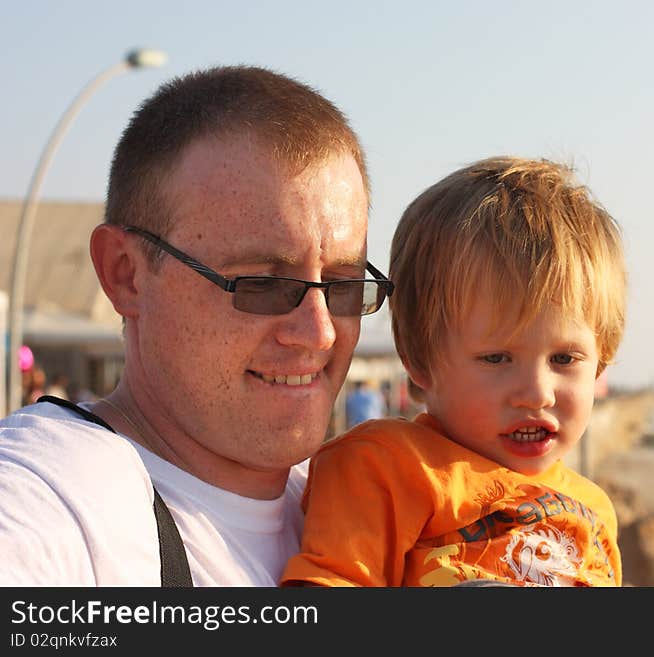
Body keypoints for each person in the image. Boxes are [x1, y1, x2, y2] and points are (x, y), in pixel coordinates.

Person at [0, 65, 392, 586]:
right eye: (262, 282)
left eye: (342, 285)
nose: (319, 331)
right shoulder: (58, 496)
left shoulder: (369, 511)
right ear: (127, 275)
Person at [281, 156, 627, 587]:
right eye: (496, 358)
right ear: (420, 359)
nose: (537, 393)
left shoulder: (593, 509)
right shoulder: (386, 469)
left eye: (564, 359)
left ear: (602, 360)